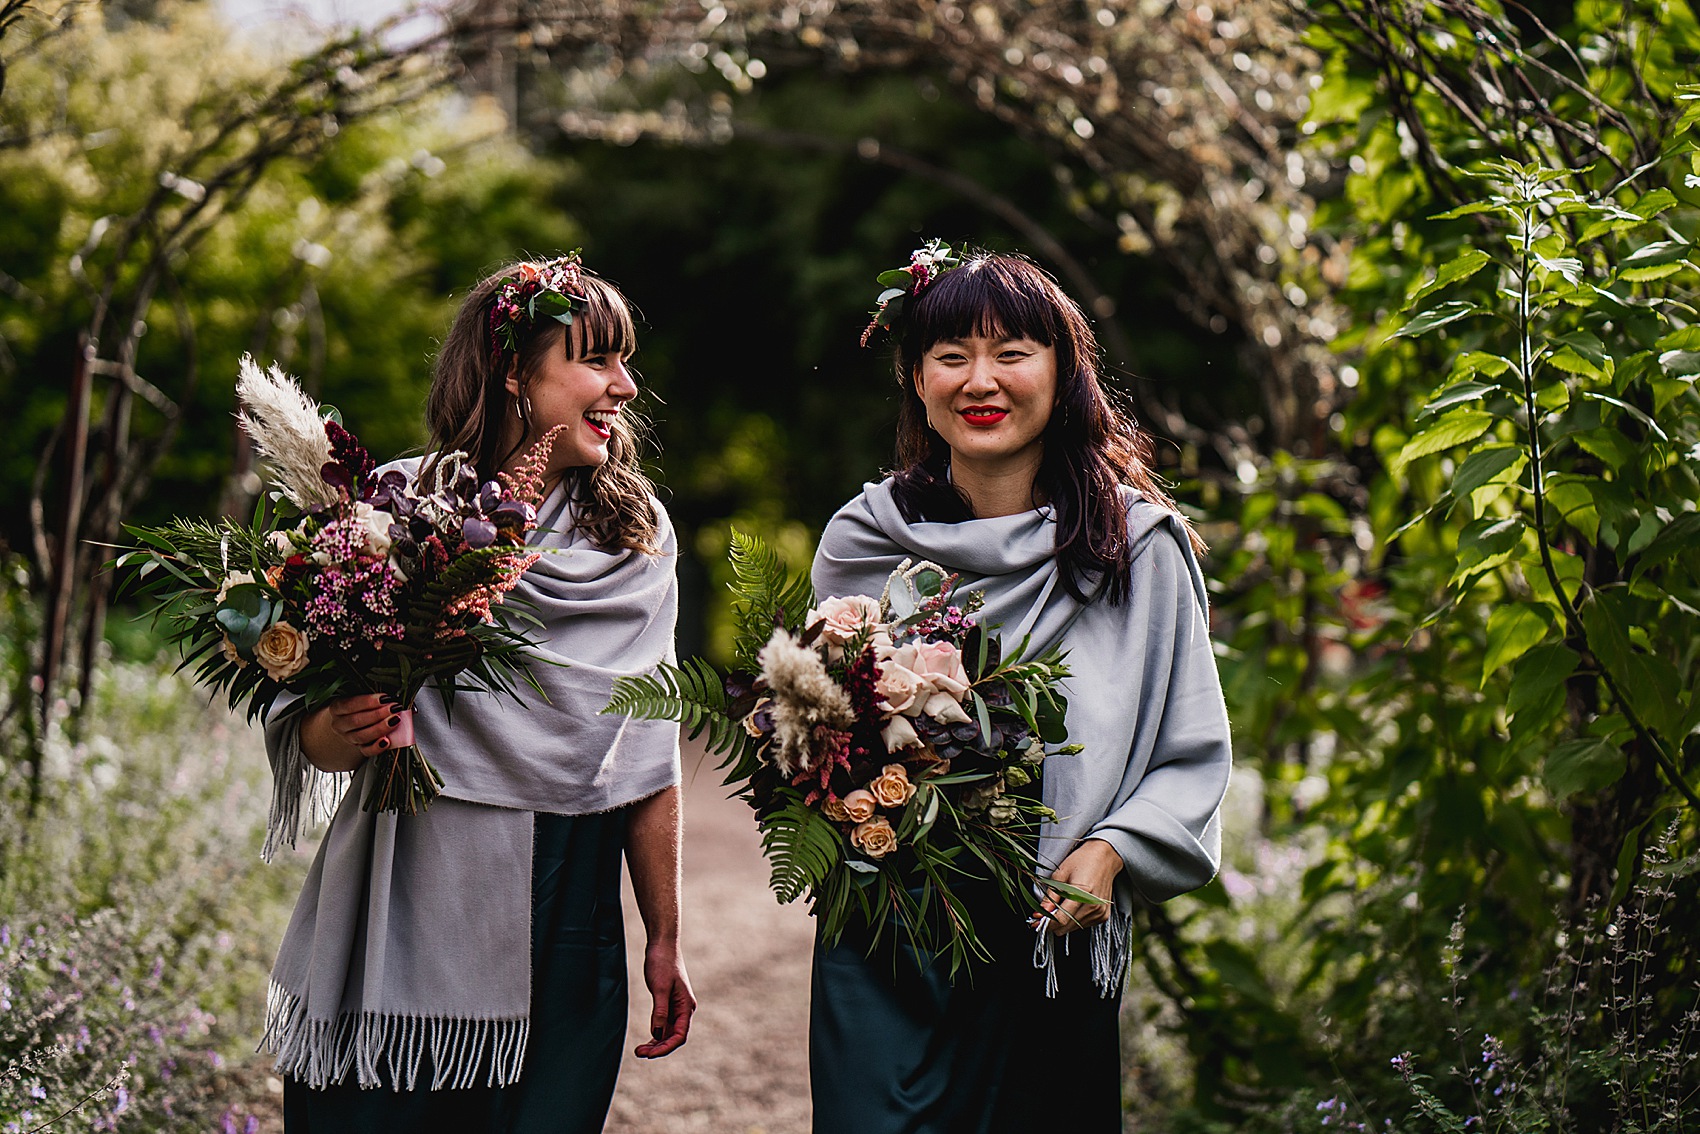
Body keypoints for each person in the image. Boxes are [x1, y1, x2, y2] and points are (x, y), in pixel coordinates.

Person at [259, 254, 695, 1133]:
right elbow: (306, 729)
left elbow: (649, 759)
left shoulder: (636, 539)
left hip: (568, 900)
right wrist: (346, 728)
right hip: (407, 885)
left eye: (626, 362)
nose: (623, 385)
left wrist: (664, 935)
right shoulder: (396, 510)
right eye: (597, 360)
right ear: (513, 374)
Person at [809, 246, 1232, 1132]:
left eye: (1012, 351)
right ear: (916, 378)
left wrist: (1113, 851)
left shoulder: (1136, 550)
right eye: (952, 354)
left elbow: (1191, 753)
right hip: (887, 923)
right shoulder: (863, 540)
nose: (981, 379)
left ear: (1061, 369)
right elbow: (823, 735)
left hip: (1050, 924)